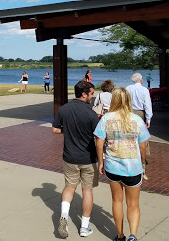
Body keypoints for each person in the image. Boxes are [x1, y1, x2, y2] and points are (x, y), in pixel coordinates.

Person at [94, 87, 150, 241]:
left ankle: (120, 235)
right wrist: (143, 162)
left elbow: (99, 144)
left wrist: (101, 162)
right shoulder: (136, 119)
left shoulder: (106, 118)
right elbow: (143, 146)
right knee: (133, 204)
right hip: (133, 168)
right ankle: (133, 235)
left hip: (112, 167)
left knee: (117, 201)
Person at [52, 80, 100, 238]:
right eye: (92, 94)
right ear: (84, 94)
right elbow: (98, 135)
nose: (93, 97)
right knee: (87, 191)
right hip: (88, 158)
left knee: (69, 187)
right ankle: (84, 227)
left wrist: (69, 131)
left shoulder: (63, 109)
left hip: (69, 157)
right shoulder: (91, 114)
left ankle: (64, 216)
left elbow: (55, 130)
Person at [126, 73, 152, 159]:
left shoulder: (128, 88)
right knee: (142, 134)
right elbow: (147, 105)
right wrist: (148, 119)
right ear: (141, 80)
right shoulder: (144, 90)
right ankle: (143, 154)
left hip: (130, 112)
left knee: (130, 133)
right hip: (140, 113)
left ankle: (130, 152)